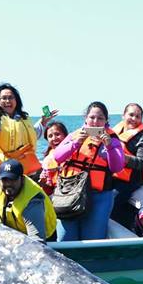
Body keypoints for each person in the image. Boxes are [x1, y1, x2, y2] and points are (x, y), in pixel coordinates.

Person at [53, 101, 126, 241]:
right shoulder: (75, 135)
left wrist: (109, 146)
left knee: (93, 238)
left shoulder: (113, 140)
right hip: (70, 193)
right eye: (92, 117)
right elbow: (57, 156)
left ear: (106, 121)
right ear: (85, 118)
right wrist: (75, 144)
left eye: (100, 118)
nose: (95, 121)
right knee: (65, 238)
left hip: (99, 196)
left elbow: (117, 167)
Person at [0, 83, 58, 178]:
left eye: (11, 97)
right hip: (3, 171)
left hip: (24, 168)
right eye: (4, 98)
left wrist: (43, 122)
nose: (7, 101)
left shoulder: (23, 118)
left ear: (16, 100)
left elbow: (33, 135)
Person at [0, 159, 58, 242]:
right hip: (16, 234)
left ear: (21, 178)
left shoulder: (32, 200)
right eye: (5, 180)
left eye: (12, 180)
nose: (8, 184)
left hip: (44, 239)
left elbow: (38, 241)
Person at [110, 103, 143, 225]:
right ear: (123, 115)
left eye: (138, 116)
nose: (134, 119)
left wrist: (123, 158)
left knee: (112, 200)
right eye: (131, 115)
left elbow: (142, 163)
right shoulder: (115, 131)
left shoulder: (142, 138)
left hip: (129, 181)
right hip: (112, 176)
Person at [38, 121, 68, 194]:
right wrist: (43, 182)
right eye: (50, 136)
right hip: (54, 195)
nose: (54, 138)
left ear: (66, 135)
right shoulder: (47, 160)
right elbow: (47, 188)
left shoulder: (74, 153)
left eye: (57, 134)